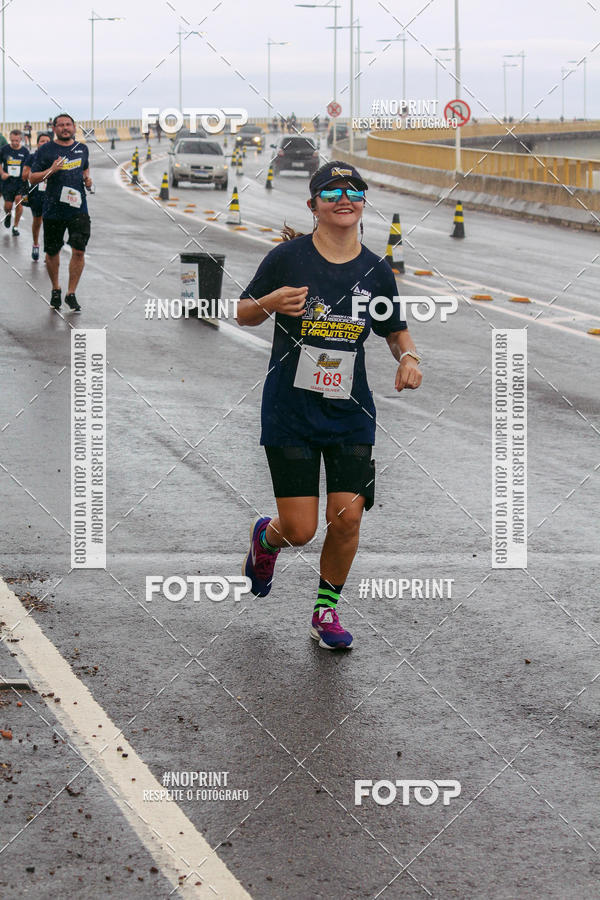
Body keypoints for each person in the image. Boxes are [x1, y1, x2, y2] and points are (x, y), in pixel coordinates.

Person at [237, 162, 422, 650]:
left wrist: (408, 356)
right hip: (290, 410)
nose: (345, 198)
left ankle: (326, 610)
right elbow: (242, 312)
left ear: (364, 201)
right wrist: (272, 300)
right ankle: (266, 539)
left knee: (348, 517)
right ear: (313, 203)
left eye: (355, 190)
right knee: (300, 529)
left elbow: (394, 328)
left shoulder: (376, 270)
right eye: (332, 190)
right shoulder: (287, 258)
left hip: (350, 411)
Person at [29, 113, 92, 311]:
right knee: (52, 252)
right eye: (61, 125)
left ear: (74, 127)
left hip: (78, 208)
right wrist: (52, 170)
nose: (65, 128)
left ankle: (71, 293)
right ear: (54, 128)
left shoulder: (82, 149)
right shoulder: (46, 150)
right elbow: (32, 178)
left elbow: (85, 169)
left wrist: (87, 179)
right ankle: (56, 288)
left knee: (79, 250)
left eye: (68, 124)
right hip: (53, 208)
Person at [22, 132, 52, 261]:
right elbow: (25, 175)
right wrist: (33, 175)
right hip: (36, 194)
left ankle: (49, 251)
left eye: (47, 141)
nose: (45, 143)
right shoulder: (32, 157)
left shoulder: (55, 158)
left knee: (50, 223)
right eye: (42, 141)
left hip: (51, 195)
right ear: (37, 143)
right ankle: (35, 244)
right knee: (37, 221)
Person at [1, 129, 29, 236]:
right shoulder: (4, 150)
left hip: (20, 182)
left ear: (20, 140)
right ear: (10, 139)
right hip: (8, 181)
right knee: (8, 206)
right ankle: (8, 215)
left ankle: (15, 227)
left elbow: (28, 166)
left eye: (17, 141)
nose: (14, 143)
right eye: (12, 140)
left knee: (18, 201)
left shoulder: (25, 152)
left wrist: (26, 174)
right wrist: (2, 172)